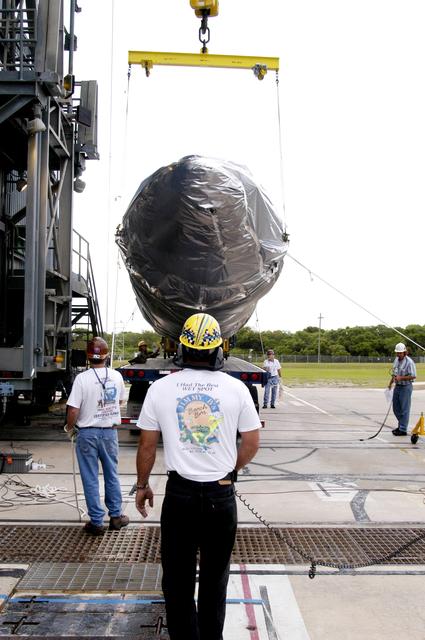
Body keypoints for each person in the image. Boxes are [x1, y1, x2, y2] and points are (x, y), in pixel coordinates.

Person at [134, 313, 261, 640]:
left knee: (177, 580)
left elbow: (147, 446)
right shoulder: (237, 388)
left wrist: (143, 485)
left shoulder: (160, 389)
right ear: (218, 350)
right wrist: (229, 472)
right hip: (220, 496)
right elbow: (251, 442)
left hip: (180, 496)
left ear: (181, 348)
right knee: (215, 580)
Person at [65, 336, 129, 535]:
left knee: (90, 477)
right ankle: (116, 516)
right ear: (106, 355)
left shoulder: (82, 379)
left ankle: (96, 521)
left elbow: (73, 410)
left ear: (87, 357)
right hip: (109, 433)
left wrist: (69, 427)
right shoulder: (117, 376)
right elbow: (119, 402)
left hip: (87, 434)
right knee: (112, 474)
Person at [388, 342, 416, 436]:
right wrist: (390, 383)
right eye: (397, 353)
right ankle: (401, 426)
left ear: (405, 352)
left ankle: (403, 429)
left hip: (406, 387)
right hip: (397, 386)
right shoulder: (396, 360)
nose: (399, 354)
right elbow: (394, 372)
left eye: (400, 353)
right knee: (396, 408)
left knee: (404, 409)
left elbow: (413, 376)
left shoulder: (409, 362)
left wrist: (401, 378)